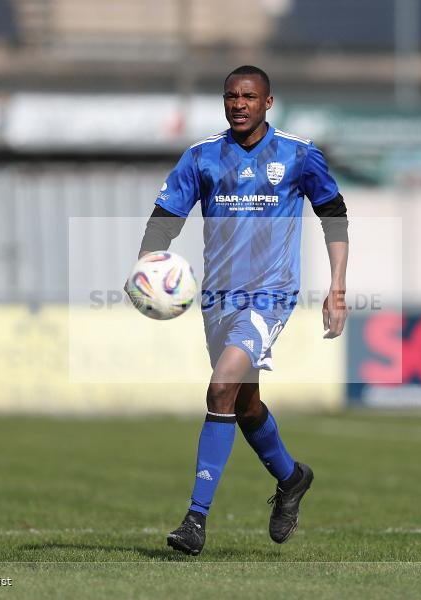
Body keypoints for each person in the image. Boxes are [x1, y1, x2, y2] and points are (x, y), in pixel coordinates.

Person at [130, 65, 348, 556]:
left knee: (222, 385)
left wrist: (337, 286)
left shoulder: (298, 154)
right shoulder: (202, 157)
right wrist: (146, 267)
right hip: (217, 299)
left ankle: (195, 519)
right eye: (231, 96)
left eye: (249, 96)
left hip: (270, 294)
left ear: (268, 102)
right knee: (243, 404)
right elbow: (165, 219)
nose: (239, 104)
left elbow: (333, 213)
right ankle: (292, 478)